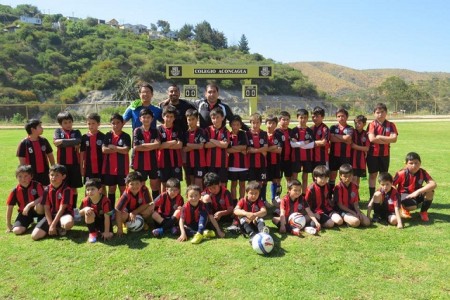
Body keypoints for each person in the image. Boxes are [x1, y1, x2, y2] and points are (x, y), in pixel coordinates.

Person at [31, 164, 74, 240]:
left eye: (57, 175)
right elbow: (46, 208)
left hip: (64, 214)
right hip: (51, 215)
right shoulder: (47, 189)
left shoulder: (67, 189)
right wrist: (50, 224)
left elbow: (62, 209)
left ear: (63, 177)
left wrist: (53, 225)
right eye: (52, 175)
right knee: (34, 236)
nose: (54, 177)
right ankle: (57, 228)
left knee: (68, 223)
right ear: (49, 176)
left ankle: (60, 227)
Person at [367, 103, 398, 200]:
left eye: (382, 112)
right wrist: (387, 140)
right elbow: (372, 139)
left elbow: (394, 139)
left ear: (386, 113)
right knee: (373, 175)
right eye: (378, 112)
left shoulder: (391, 125)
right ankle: (372, 196)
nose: (380, 114)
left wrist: (380, 137)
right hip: (372, 154)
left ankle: (384, 195)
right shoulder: (371, 124)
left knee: (384, 175)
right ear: (374, 114)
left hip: (385, 154)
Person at [393, 152, 437, 222]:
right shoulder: (401, 173)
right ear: (406, 164)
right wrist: (397, 199)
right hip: (404, 195)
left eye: (416, 163)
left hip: (416, 193)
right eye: (411, 163)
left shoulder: (423, 172)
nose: (414, 165)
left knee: (430, 191)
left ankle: (423, 212)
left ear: (420, 163)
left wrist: (418, 191)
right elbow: (392, 185)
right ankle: (403, 207)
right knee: (412, 207)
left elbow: (433, 184)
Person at [53, 111, 82, 208]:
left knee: (73, 188)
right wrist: (72, 143)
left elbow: (78, 140)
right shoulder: (58, 131)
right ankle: (62, 207)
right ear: (60, 124)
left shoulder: (76, 132)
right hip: (62, 166)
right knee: (62, 187)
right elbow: (56, 142)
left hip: (74, 165)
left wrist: (62, 142)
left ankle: (73, 208)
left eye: (70, 122)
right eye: (65, 123)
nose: (68, 124)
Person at [102, 113, 131, 208]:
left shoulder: (126, 136)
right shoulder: (107, 135)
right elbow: (104, 150)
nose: (115, 125)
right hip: (109, 168)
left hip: (122, 168)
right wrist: (119, 149)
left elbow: (126, 150)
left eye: (118, 123)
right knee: (111, 188)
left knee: (123, 189)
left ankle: (122, 208)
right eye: (113, 123)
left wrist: (113, 147)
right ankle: (111, 210)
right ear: (110, 124)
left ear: (122, 123)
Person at [6, 165, 44, 235]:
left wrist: (29, 205)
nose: (23, 179)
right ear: (16, 177)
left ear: (31, 176)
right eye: (20, 176)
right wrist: (8, 224)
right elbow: (10, 207)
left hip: (38, 211)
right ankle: (29, 221)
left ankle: (42, 220)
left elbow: (42, 197)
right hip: (24, 213)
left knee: (40, 205)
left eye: (26, 176)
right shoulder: (15, 190)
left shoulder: (37, 185)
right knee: (16, 231)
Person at [132, 108, 160, 200]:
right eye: (144, 117)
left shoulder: (155, 131)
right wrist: (152, 145)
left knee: (155, 186)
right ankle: (142, 205)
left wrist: (143, 145)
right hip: (140, 163)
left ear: (152, 119)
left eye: (148, 117)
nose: (146, 119)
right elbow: (136, 147)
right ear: (140, 119)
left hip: (153, 162)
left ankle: (155, 206)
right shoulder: (137, 131)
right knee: (141, 186)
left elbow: (158, 145)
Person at [16, 119, 55, 186]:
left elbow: (50, 154)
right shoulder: (24, 143)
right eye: (40, 126)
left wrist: (53, 167)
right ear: (33, 129)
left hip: (45, 172)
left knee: (45, 191)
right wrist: (24, 174)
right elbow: (22, 160)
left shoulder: (44, 141)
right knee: (32, 192)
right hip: (31, 174)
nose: (42, 128)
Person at [115, 171, 153, 236]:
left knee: (152, 205)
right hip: (128, 214)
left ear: (141, 183)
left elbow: (147, 204)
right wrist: (119, 229)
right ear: (127, 185)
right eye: (132, 184)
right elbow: (117, 210)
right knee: (121, 215)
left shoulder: (144, 189)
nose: (135, 186)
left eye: (137, 183)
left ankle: (142, 222)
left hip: (139, 212)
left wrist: (135, 212)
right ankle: (126, 223)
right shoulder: (126, 194)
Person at [157, 106, 183, 192]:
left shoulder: (178, 129)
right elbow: (159, 146)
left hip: (176, 161)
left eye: (171, 117)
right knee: (164, 183)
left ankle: (178, 202)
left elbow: (180, 145)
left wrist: (165, 144)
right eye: (167, 116)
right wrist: (173, 142)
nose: (169, 119)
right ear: (163, 116)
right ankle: (163, 202)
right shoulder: (158, 130)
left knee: (176, 183)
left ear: (174, 118)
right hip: (163, 161)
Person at [328, 108, 354, 194]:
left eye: (343, 116)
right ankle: (331, 195)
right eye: (338, 116)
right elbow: (331, 138)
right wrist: (343, 139)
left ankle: (344, 194)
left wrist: (335, 135)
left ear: (346, 117)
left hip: (345, 156)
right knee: (332, 175)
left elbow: (348, 138)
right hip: (333, 155)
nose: (341, 118)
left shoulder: (350, 128)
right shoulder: (333, 127)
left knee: (345, 176)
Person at [290, 108, 315, 193]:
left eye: (305, 117)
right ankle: (293, 194)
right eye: (301, 117)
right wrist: (305, 142)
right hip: (296, 157)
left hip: (307, 157)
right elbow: (293, 145)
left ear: (307, 118)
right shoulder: (293, 130)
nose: (303, 120)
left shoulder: (310, 131)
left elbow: (311, 145)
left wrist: (299, 144)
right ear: (297, 118)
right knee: (294, 177)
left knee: (305, 177)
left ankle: (304, 195)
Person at [183, 109, 208, 188]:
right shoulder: (185, 133)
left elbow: (201, 146)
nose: (191, 122)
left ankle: (201, 200)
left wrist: (187, 144)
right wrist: (195, 146)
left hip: (199, 162)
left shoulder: (201, 131)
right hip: (189, 163)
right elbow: (184, 149)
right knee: (191, 183)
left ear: (197, 119)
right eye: (189, 120)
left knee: (198, 184)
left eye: (193, 119)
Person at [246, 113, 269, 203]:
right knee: (251, 183)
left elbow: (266, 148)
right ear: (250, 123)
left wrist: (254, 150)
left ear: (260, 123)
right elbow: (248, 149)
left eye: (257, 123)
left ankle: (262, 200)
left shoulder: (263, 134)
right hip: (250, 163)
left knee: (262, 182)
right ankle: (250, 201)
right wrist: (260, 150)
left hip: (262, 163)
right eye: (253, 123)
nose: (255, 125)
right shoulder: (247, 134)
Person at [204, 107, 230, 185]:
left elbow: (225, 145)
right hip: (210, 163)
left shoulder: (225, 130)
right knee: (211, 184)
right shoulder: (207, 130)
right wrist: (220, 143)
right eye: (213, 118)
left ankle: (223, 197)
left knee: (222, 184)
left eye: (218, 117)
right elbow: (206, 145)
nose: (215, 120)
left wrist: (211, 140)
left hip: (222, 163)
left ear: (222, 118)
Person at [202, 172, 233, 236]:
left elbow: (230, 209)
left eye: (214, 187)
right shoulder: (207, 191)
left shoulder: (226, 193)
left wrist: (221, 213)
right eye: (210, 188)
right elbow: (200, 198)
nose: (212, 190)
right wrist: (204, 198)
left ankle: (234, 225)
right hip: (212, 215)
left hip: (225, 215)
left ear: (219, 183)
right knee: (205, 197)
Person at [227, 115, 249, 202]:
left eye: (237, 125)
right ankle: (234, 201)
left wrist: (234, 148)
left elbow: (244, 147)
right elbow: (228, 149)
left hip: (243, 165)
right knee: (233, 184)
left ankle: (242, 201)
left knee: (242, 184)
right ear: (230, 125)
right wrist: (239, 149)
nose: (235, 126)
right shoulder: (228, 135)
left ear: (240, 125)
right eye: (233, 124)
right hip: (232, 165)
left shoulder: (243, 134)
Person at [80, 113, 105, 185]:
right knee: (88, 186)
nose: (91, 126)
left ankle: (103, 197)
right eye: (89, 124)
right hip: (88, 168)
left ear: (98, 124)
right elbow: (82, 154)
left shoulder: (103, 136)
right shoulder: (84, 137)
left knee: (101, 186)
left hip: (100, 167)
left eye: (93, 123)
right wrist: (81, 168)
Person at [265, 115, 283, 206]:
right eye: (269, 123)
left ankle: (274, 198)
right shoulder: (263, 135)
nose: (271, 125)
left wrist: (266, 148)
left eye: (273, 123)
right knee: (263, 181)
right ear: (265, 124)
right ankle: (263, 200)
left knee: (275, 180)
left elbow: (279, 150)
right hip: (264, 163)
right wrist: (273, 147)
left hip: (276, 161)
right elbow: (261, 149)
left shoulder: (278, 135)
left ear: (276, 124)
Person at [275, 111, 293, 186]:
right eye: (283, 119)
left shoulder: (291, 131)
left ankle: (289, 196)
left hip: (289, 160)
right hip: (278, 160)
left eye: (287, 119)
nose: (286, 121)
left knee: (289, 179)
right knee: (277, 179)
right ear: (279, 120)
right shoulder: (276, 132)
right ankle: (276, 196)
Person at [351, 115, 369, 186]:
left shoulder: (366, 134)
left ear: (364, 124)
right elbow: (350, 144)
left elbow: (367, 148)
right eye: (355, 123)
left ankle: (356, 194)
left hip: (361, 160)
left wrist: (355, 146)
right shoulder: (352, 132)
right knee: (353, 178)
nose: (357, 125)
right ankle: (353, 195)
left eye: (359, 123)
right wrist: (362, 148)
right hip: (352, 159)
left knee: (358, 178)